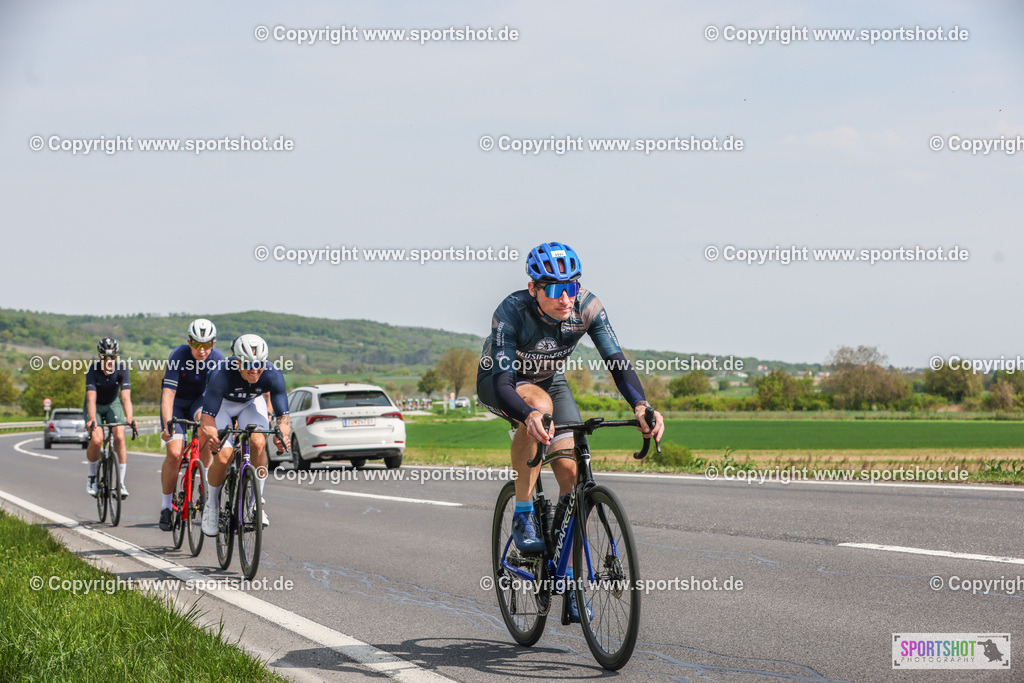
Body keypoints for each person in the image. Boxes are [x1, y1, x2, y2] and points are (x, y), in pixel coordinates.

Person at [477, 242, 665, 622]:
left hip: (551, 381)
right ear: (534, 289)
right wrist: (527, 413)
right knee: (540, 411)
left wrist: (641, 406)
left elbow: (616, 362)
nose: (565, 297)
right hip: (504, 381)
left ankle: (570, 581)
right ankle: (524, 512)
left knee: (571, 476)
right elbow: (501, 382)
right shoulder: (511, 310)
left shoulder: (588, 307)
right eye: (553, 288)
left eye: (572, 287)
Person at [199, 334, 291, 536]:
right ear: (237, 360)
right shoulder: (221, 373)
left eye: (259, 363)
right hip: (222, 407)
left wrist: (282, 434)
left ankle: (254, 504)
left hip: (250, 403)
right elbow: (207, 419)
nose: (255, 369)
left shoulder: (272, 374)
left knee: (258, 442)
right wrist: (213, 436)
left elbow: (284, 417)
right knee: (223, 457)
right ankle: (212, 505)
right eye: (248, 364)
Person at [157, 319, 226, 531]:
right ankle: (166, 506)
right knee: (175, 454)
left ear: (213, 343)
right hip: (177, 404)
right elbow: (168, 395)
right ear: (189, 342)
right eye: (197, 345)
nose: (202, 350)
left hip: (199, 403)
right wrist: (168, 425)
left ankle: (203, 485)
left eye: (207, 345)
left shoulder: (219, 359)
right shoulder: (178, 356)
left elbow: (221, 397)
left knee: (204, 428)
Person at [85, 337, 137, 499]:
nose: (108, 361)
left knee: (120, 437)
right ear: (99, 356)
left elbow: (126, 398)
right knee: (97, 439)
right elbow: (91, 399)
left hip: (112, 404)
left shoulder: (122, 370)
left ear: (116, 356)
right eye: (105, 357)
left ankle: (120, 483)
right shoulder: (93, 371)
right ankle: (92, 477)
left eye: (112, 357)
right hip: (96, 406)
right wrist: (92, 419)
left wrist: (130, 417)